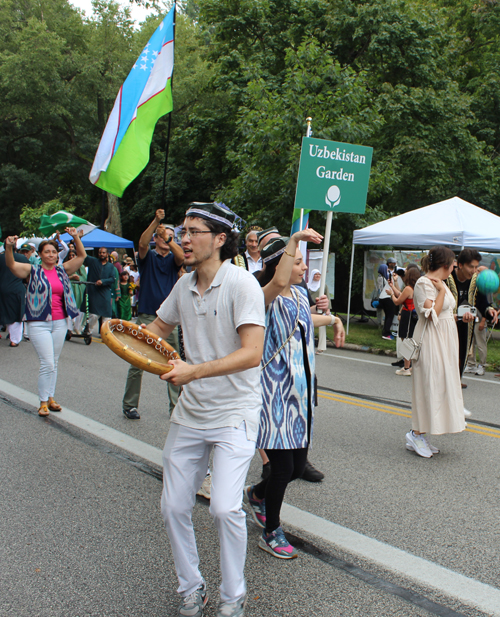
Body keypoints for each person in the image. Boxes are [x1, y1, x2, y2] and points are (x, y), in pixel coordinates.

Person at [145, 202, 265, 617]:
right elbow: (157, 331)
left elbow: (252, 354)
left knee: (224, 506)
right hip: (192, 414)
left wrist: (193, 371)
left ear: (219, 239)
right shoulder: (183, 286)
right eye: (182, 231)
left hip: (235, 411)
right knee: (173, 505)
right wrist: (126, 341)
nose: (184, 238)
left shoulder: (241, 284)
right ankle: (191, 587)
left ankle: (234, 596)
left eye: (194, 231)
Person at [244, 232, 345, 559]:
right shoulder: (263, 298)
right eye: (298, 261)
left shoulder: (301, 296)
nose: (305, 267)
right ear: (281, 266)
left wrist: (334, 319)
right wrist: (295, 239)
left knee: (298, 465)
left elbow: (306, 320)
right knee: (283, 468)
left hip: (300, 397)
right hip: (274, 394)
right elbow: (276, 287)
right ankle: (271, 530)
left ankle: (257, 495)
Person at [4, 228, 86, 416]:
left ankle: (50, 397)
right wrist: (8, 247)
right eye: (47, 251)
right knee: (47, 362)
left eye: (54, 251)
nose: (51, 254)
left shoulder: (62, 269)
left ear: (58, 254)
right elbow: (11, 265)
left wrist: (75, 237)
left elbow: (81, 255)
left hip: (59, 322)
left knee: (54, 362)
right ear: (40, 254)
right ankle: (42, 402)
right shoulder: (32, 270)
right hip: (37, 322)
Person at [121, 209, 184, 420]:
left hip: (171, 319)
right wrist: (156, 221)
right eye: (162, 237)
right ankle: (130, 405)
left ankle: (175, 409)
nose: (167, 240)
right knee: (137, 361)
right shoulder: (147, 257)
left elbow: (182, 256)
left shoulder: (174, 260)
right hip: (148, 316)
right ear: (155, 238)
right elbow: (141, 243)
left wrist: (168, 236)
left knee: (174, 362)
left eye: (171, 237)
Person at [407, 246, 465, 458]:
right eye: (453, 264)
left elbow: (449, 310)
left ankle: (421, 433)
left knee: (439, 385)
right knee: (428, 384)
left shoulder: (443, 283)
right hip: (432, 340)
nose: (454, 268)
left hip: (444, 340)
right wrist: (440, 291)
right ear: (446, 265)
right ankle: (416, 433)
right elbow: (432, 314)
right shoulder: (424, 283)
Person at [446, 249, 498, 389]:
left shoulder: (476, 281)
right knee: (446, 353)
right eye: (471, 267)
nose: (474, 270)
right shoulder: (447, 277)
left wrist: (490, 311)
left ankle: (456, 379)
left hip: (466, 325)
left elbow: (482, 302)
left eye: (476, 267)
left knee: (462, 352)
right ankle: (447, 381)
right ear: (460, 265)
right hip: (445, 323)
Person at [388, 266, 421, 375]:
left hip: (407, 315)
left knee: (406, 339)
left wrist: (391, 294)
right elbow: (402, 296)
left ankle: (406, 368)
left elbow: (397, 301)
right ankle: (411, 365)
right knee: (410, 338)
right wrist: (392, 286)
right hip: (414, 315)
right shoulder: (416, 287)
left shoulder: (408, 288)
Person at [0, 245, 29, 347]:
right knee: (16, 313)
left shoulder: (0, 258)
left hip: (1, 288)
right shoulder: (22, 258)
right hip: (16, 288)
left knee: (2, 310)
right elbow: (27, 276)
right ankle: (14, 340)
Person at [84, 247, 116, 332]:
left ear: (107, 254)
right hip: (94, 292)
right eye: (100, 252)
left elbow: (113, 279)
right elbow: (83, 254)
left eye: (103, 253)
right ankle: (88, 330)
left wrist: (103, 281)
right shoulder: (93, 262)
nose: (101, 254)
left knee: (106, 315)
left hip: (105, 292)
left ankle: (105, 334)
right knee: (94, 315)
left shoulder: (110, 266)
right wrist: (77, 239)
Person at [377, 264, 396, 340]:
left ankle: (386, 331)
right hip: (387, 297)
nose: (388, 269)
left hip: (382, 297)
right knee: (390, 316)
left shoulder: (383, 277)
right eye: (387, 268)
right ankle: (386, 333)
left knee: (388, 316)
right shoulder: (388, 277)